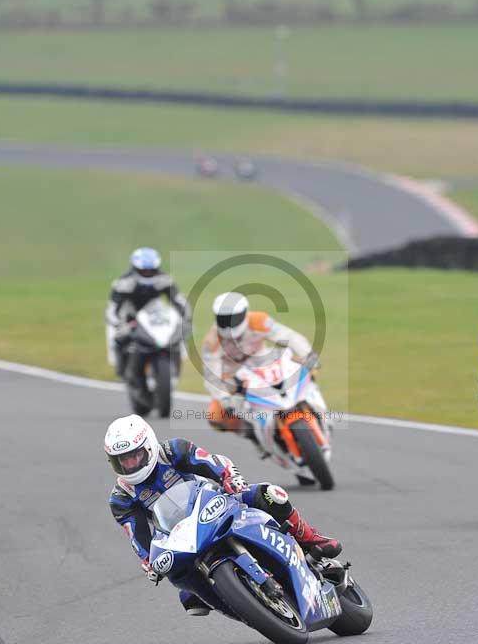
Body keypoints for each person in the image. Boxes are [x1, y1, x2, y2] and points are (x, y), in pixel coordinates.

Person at [106, 414, 341, 615]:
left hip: (216, 503)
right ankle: (229, 600)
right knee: (182, 586)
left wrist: (229, 477)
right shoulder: (121, 497)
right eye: (122, 462)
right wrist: (149, 562)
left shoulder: (172, 451)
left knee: (269, 494)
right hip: (179, 536)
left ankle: (311, 539)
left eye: (134, 456)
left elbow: (210, 462)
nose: (130, 465)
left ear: (148, 446)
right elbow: (137, 536)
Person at [202, 291, 319, 436]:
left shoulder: (259, 320)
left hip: (263, 362)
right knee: (216, 417)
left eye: (234, 318)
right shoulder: (211, 341)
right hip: (234, 376)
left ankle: (313, 404)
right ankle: (252, 434)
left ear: (245, 313)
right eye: (224, 319)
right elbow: (211, 375)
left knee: (299, 365)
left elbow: (289, 336)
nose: (229, 323)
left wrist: (308, 355)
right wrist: (224, 397)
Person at [105, 247, 191, 377]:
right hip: (130, 314)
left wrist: (185, 318)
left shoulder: (165, 279)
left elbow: (179, 301)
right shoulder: (123, 283)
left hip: (153, 313)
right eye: (144, 271)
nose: (147, 273)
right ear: (135, 268)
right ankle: (121, 369)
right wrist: (117, 324)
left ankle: (175, 366)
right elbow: (111, 309)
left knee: (181, 331)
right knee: (118, 336)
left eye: (151, 270)